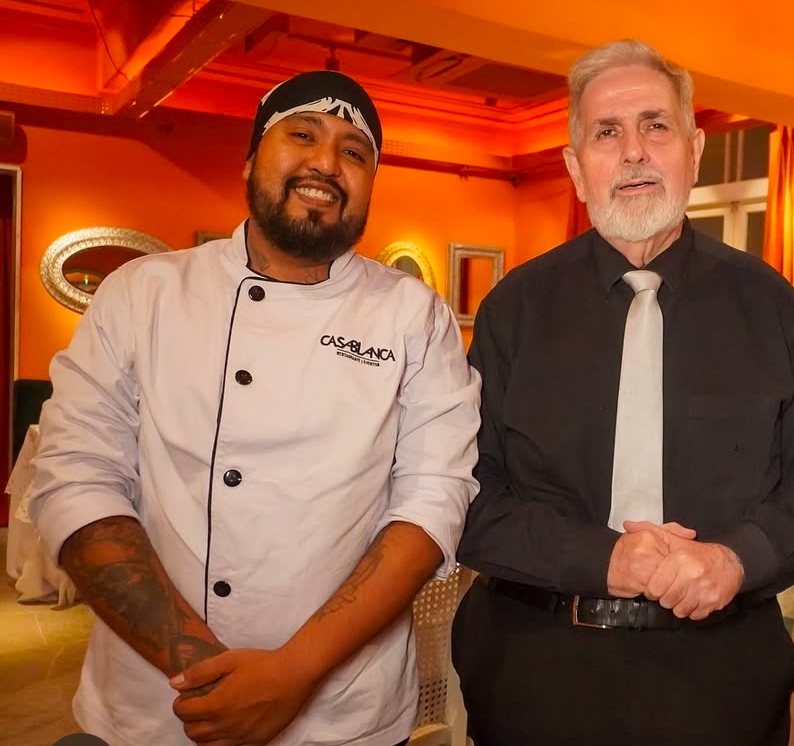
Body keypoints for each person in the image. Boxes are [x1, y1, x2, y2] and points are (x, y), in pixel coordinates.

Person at [28, 70, 481, 746]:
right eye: (303, 134)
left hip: (342, 716)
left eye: (356, 152)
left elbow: (433, 499)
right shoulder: (143, 293)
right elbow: (75, 479)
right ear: (250, 158)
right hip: (157, 706)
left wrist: (293, 673)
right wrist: (205, 675)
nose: (327, 162)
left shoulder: (414, 315)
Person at [451, 39, 794, 746]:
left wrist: (736, 556)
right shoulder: (514, 311)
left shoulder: (774, 308)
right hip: (532, 677)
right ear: (574, 166)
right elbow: (467, 497)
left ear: (693, 148)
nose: (633, 152)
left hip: (721, 684)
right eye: (606, 132)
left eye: (655, 126)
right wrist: (603, 558)